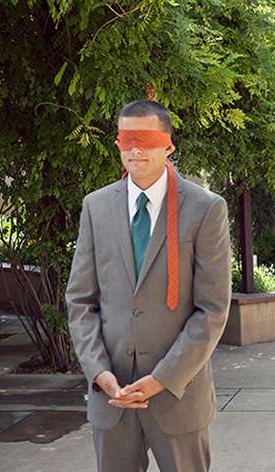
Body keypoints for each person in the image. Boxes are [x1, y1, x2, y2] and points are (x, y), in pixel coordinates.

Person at [66, 100, 231, 471]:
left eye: (145, 138)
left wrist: (161, 379)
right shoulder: (96, 207)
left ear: (168, 144)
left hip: (178, 397)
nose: (136, 148)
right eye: (127, 139)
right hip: (112, 399)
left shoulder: (205, 209)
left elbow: (213, 309)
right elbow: (80, 300)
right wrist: (99, 373)